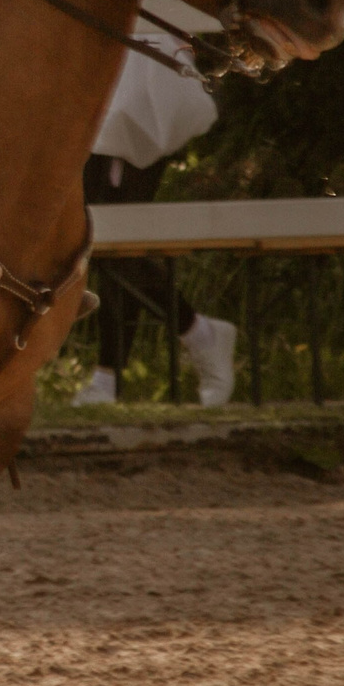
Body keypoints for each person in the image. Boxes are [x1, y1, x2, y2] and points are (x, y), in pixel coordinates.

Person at [75, 24, 239, 406]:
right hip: (110, 72)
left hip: (134, 81)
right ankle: (112, 375)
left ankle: (194, 337)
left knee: (113, 236)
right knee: (110, 240)